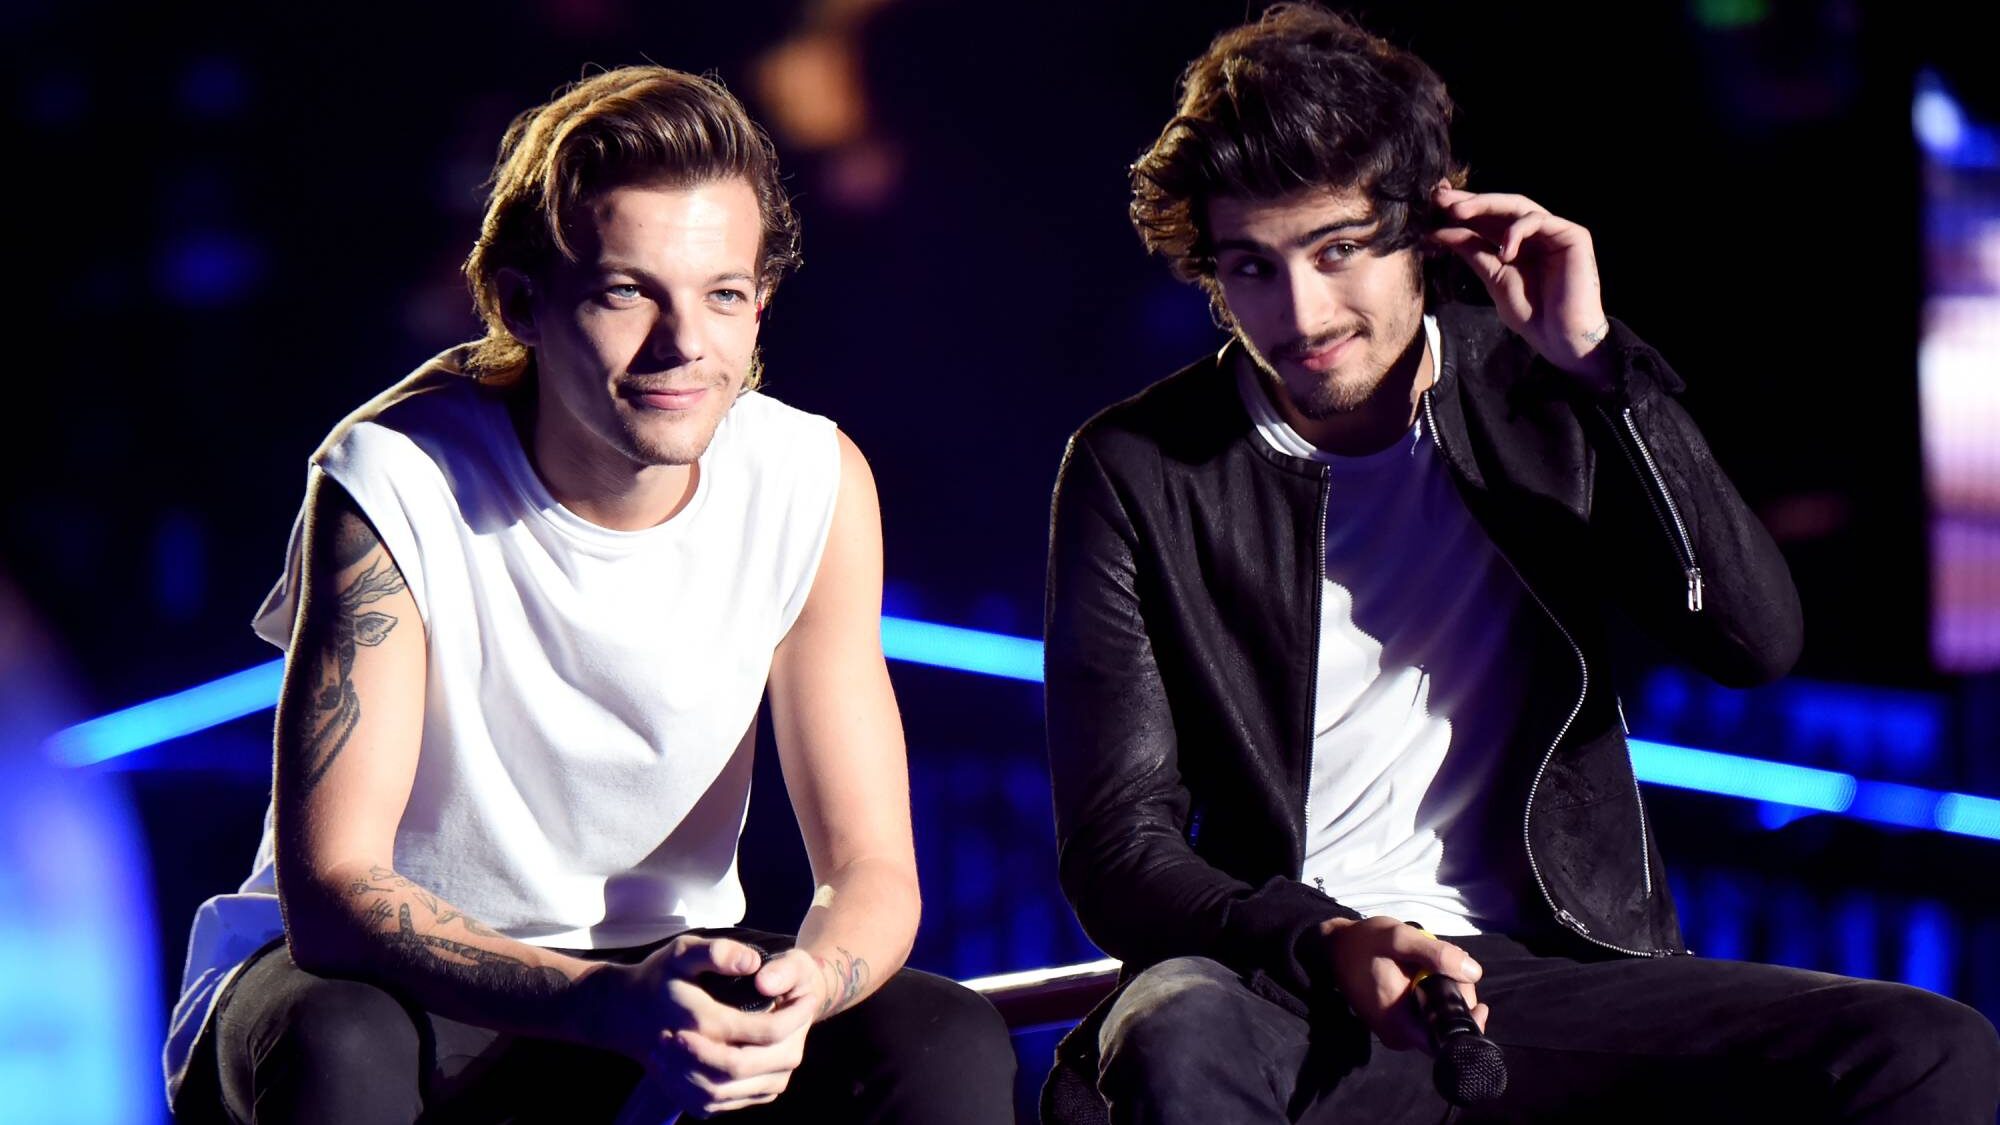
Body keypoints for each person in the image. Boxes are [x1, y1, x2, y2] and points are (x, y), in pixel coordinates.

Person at [1040, 7, 2000, 1122]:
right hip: (1279, 974)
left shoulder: (1537, 392)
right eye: (1252, 266)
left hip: (1544, 971)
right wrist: (1322, 937)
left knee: (1926, 1048)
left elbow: (1751, 641)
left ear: (1425, 229)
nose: (1299, 313)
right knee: (1176, 1025)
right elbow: (1118, 848)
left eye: (1337, 249)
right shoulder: (1137, 465)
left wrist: (1601, 375)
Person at [164, 65, 1014, 1124]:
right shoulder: (394, 472)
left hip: (649, 973)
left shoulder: (812, 478)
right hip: (385, 979)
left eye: (723, 295)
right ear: (522, 302)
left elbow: (874, 868)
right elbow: (335, 895)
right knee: (340, 1042)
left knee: (943, 1041)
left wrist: (809, 989)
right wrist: (599, 1005)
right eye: (626, 293)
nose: (683, 346)